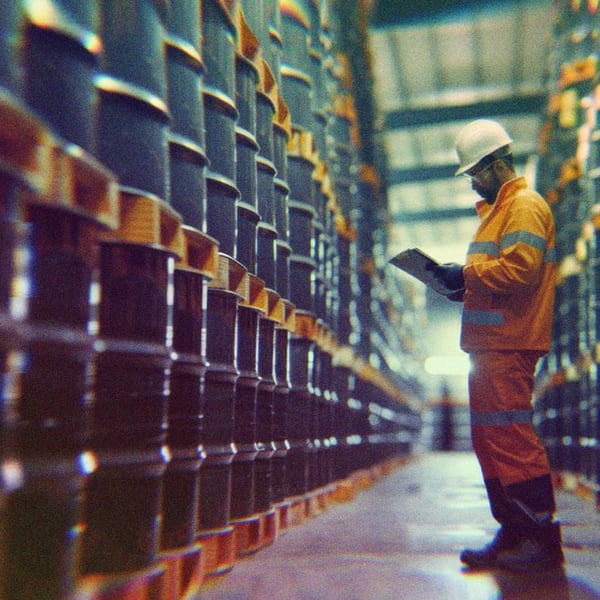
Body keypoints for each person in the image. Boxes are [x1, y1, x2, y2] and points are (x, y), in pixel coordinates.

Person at [430, 119, 564, 572]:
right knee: (491, 440)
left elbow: (520, 271)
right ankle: (513, 532)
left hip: (510, 343)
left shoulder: (524, 207)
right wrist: (458, 284)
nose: (473, 181)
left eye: (474, 173)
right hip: (490, 346)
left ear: (493, 165)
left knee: (511, 438)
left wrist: (463, 275)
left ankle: (540, 538)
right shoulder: (498, 212)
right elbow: (495, 276)